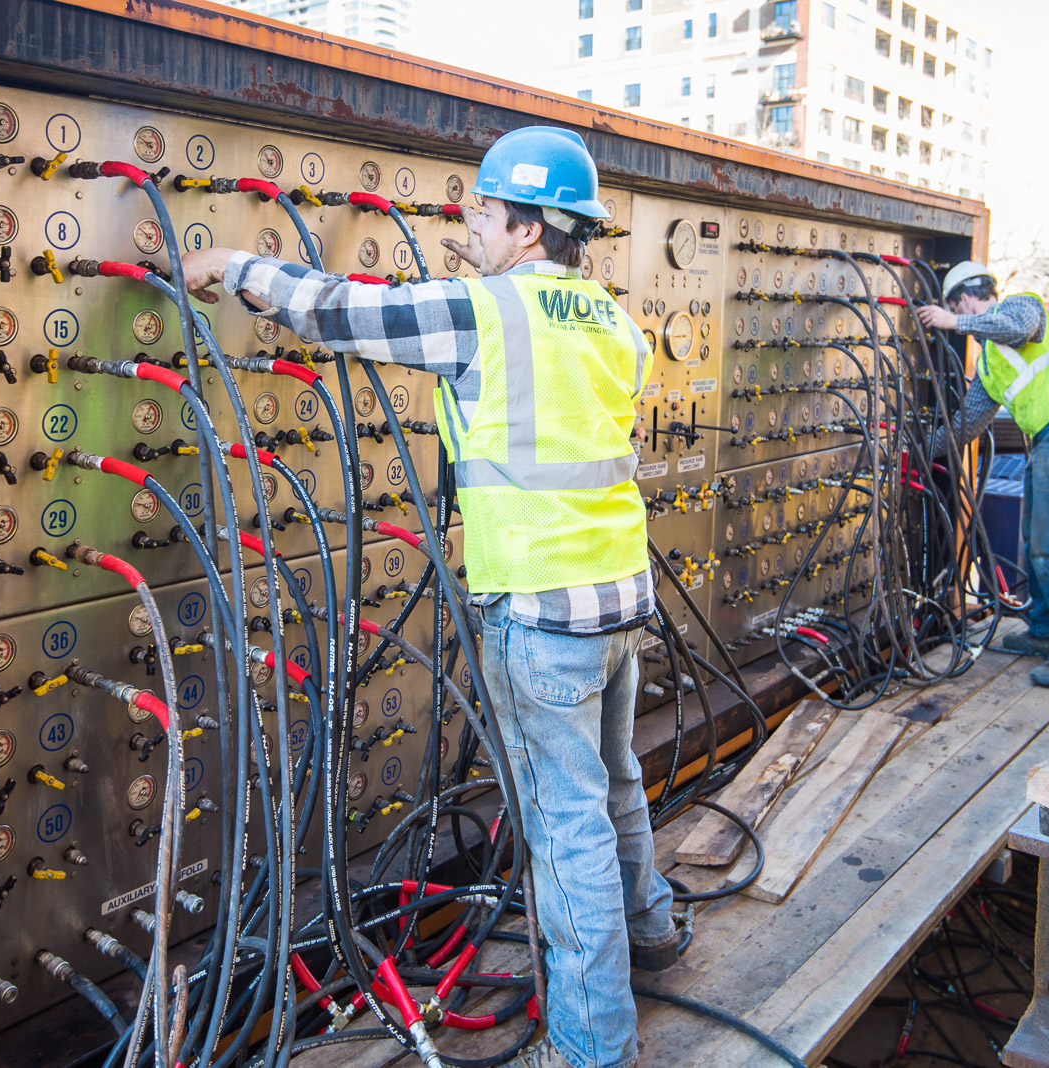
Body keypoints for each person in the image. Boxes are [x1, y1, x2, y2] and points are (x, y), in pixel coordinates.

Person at [182, 125, 686, 1068]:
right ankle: (653, 929)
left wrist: (235, 262)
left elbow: (337, 310)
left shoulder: (482, 311)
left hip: (539, 610)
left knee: (563, 827)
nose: (473, 226)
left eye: (487, 215)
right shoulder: (612, 322)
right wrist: (482, 273)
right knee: (616, 784)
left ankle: (592, 1049)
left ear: (531, 229)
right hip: (619, 598)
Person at [915, 262, 1049, 688]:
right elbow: (967, 427)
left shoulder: (1023, 306)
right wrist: (913, 447)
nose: (958, 321)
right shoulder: (989, 366)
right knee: (1035, 540)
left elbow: (1016, 327)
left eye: (957, 311)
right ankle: (1045, 631)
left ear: (965, 299)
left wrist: (953, 322)